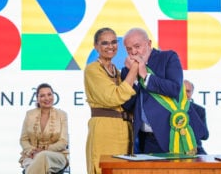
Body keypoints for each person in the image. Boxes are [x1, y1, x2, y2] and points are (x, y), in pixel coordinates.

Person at [121, 27, 208, 155]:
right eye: (129, 49)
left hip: (174, 134)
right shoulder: (126, 70)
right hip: (145, 140)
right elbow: (127, 105)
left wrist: (145, 76)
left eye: (137, 46)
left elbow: (174, 89)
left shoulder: (168, 58)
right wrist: (133, 76)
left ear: (149, 44)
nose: (133, 52)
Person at [84, 27, 139, 174]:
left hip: (125, 130)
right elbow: (113, 97)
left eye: (114, 42)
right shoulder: (92, 70)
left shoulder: (118, 71)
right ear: (96, 46)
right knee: (105, 169)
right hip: (104, 130)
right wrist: (135, 69)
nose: (110, 46)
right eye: (105, 43)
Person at [19, 83, 69, 174]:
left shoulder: (62, 115)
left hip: (56, 156)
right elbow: (23, 139)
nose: (47, 98)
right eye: (42, 96)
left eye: (49, 94)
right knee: (34, 163)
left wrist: (45, 150)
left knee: (42, 156)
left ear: (53, 96)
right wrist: (31, 151)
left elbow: (63, 141)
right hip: (31, 156)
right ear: (37, 99)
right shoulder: (29, 114)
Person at [183, 79, 209, 154]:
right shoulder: (168, 108)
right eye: (182, 91)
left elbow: (205, 136)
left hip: (196, 150)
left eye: (188, 91)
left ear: (192, 93)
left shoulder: (199, 110)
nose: (185, 94)